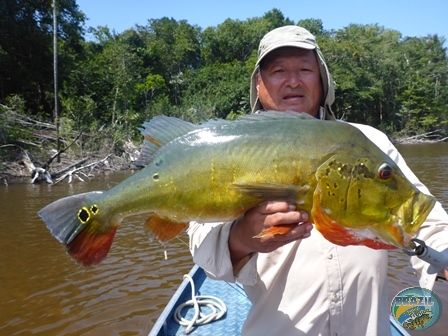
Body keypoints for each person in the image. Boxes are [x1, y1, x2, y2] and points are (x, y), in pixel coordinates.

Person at [188, 25, 448, 336]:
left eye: (305, 69)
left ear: (322, 79)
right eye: (278, 70)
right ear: (259, 84)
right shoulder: (229, 148)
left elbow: (424, 219)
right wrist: (241, 238)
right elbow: (203, 251)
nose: (293, 80)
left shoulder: (368, 142)